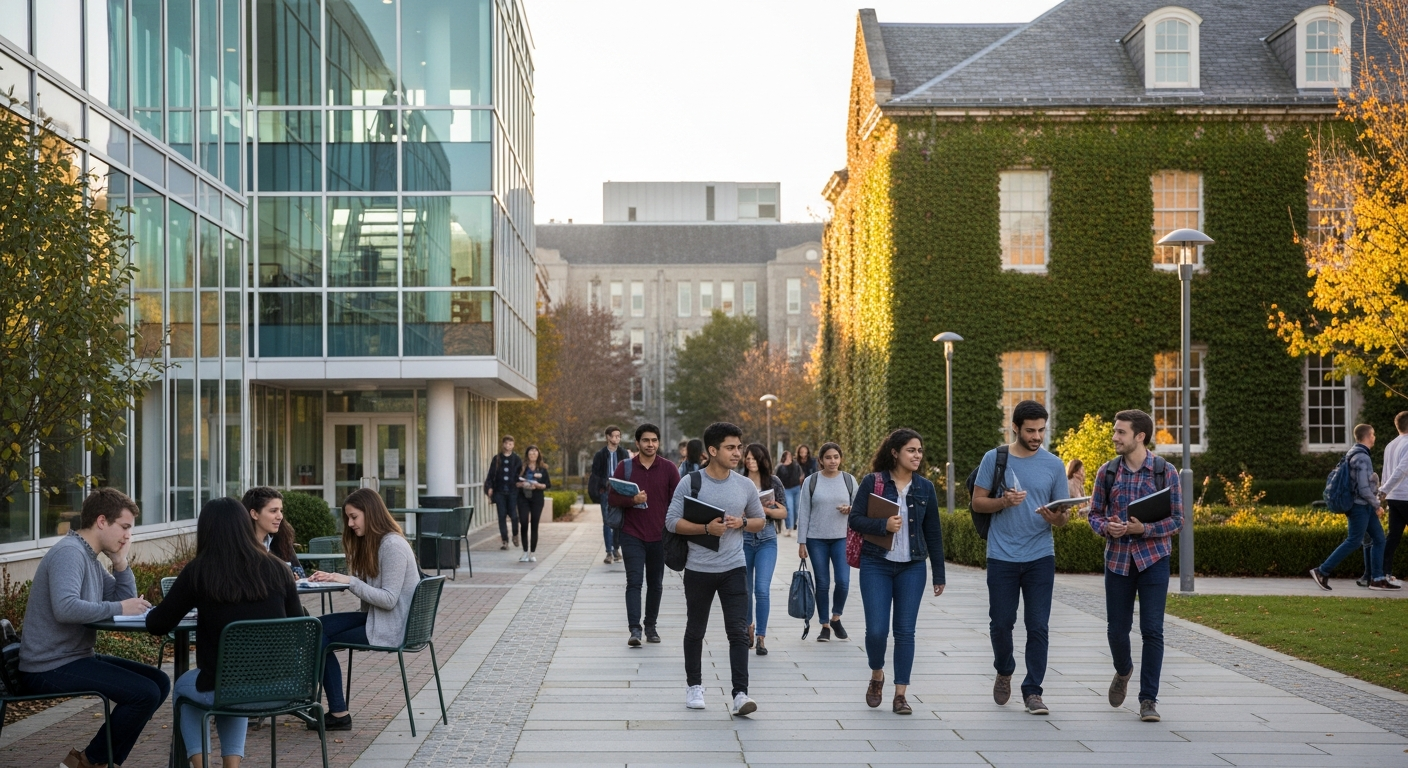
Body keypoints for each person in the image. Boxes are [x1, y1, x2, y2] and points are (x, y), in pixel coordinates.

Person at [148, 497, 303, 768]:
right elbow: (300, 629)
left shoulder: (200, 571)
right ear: (246, 524)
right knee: (233, 681)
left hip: (229, 685)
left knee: (187, 686)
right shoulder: (279, 569)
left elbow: (158, 624)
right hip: (283, 686)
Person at [19, 488, 168, 768]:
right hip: (48, 665)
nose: (128, 536)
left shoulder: (88, 556)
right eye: (124, 527)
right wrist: (120, 608)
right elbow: (66, 608)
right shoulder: (69, 553)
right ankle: (88, 762)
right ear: (102, 521)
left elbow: (122, 599)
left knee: (159, 682)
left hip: (74, 657)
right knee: (144, 693)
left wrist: (121, 563)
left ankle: (101, 762)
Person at [970, 400, 1070, 716]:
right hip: (1002, 555)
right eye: (1030, 430)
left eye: (1041, 429)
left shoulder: (1054, 465)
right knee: (1001, 623)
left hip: (1041, 555)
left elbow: (1063, 518)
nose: (1037, 435)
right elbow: (977, 503)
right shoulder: (994, 458)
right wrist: (1003, 502)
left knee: (1038, 624)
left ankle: (1033, 691)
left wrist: (1055, 518)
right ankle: (1004, 668)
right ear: (1015, 427)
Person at [1088, 409, 1185, 723]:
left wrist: (1146, 530)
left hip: (1154, 560)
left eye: (1121, 432)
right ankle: (1123, 669)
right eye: (1115, 431)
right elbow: (1094, 514)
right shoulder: (1107, 471)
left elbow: (1178, 520)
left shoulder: (1165, 471)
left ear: (1140, 436)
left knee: (1152, 631)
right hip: (1117, 560)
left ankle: (1148, 700)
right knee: (1116, 631)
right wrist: (1108, 528)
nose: (1115, 437)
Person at [665, 422, 766, 716]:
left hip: (735, 568)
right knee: (696, 630)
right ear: (712, 450)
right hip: (698, 569)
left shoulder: (745, 485)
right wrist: (706, 528)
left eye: (739, 447)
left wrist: (743, 523)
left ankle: (740, 694)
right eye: (731, 448)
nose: (738, 453)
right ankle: (694, 686)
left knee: (737, 631)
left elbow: (760, 520)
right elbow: (672, 521)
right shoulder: (691, 483)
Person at [306, 488, 422, 730]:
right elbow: (370, 590)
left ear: (370, 513)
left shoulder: (392, 545)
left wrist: (350, 581)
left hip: (392, 626)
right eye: (347, 518)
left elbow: (389, 599)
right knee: (315, 627)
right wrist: (339, 578)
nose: (349, 524)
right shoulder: (377, 542)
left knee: (319, 637)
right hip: (377, 618)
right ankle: (320, 704)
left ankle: (335, 712)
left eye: (354, 517)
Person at [849, 429, 945, 715]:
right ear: (895, 452)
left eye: (919, 450)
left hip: (913, 566)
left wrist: (939, 573)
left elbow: (934, 532)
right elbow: (855, 519)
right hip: (876, 563)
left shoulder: (925, 487)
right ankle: (877, 674)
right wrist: (883, 526)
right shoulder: (873, 482)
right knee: (877, 631)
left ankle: (901, 694)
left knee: (905, 632)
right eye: (911, 450)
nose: (917, 455)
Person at [607, 423, 681, 646]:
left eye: (654, 440)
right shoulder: (625, 467)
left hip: (660, 536)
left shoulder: (669, 468)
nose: (651, 444)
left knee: (655, 583)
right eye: (646, 440)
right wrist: (632, 500)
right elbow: (611, 498)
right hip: (632, 534)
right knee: (634, 582)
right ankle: (634, 630)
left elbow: (677, 501)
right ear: (637, 443)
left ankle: (651, 626)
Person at [1311, 424, 1398, 591]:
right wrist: (1377, 505)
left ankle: (1377, 579)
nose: (1374, 437)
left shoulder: (1353, 453)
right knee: (1354, 541)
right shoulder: (1362, 457)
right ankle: (1322, 570)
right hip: (1360, 507)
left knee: (1379, 539)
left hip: (1363, 506)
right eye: (1373, 434)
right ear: (1367, 436)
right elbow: (1363, 488)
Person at [796, 442, 857, 642]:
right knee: (822, 583)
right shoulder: (811, 481)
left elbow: (861, 507)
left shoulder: (849, 480)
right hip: (816, 539)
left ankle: (836, 617)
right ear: (821, 460)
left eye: (836, 457)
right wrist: (801, 542)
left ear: (840, 459)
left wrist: (851, 509)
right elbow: (803, 511)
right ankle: (824, 625)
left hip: (842, 537)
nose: (833, 461)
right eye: (828, 457)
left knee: (843, 581)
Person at [742, 443, 787, 655]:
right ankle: (748, 627)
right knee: (746, 589)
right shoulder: (739, 481)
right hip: (743, 538)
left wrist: (765, 510)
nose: (750, 461)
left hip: (767, 539)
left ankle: (761, 636)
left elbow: (784, 512)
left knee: (762, 589)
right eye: (747, 457)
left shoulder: (773, 481)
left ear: (762, 459)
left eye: (754, 458)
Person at [589, 426, 630, 564]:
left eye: (618, 436)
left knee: (617, 521)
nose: (616, 438)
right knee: (607, 521)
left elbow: (628, 472)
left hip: (619, 491)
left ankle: (616, 548)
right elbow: (595, 474)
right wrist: (603, 483)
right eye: (614, 436)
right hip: (605, 491)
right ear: (607, 437)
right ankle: (608, 552)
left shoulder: (623, 453)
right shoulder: (600, 455)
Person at [243, 486, 303, 577]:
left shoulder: (281, 541)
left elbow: (300, 572)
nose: (280, 516)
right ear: (254, 514)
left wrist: (295, 576)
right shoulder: (241, 544)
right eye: (273, 511)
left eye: (281, 511)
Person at [1380, 411, 1408, 585]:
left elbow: (1386, 471)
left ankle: (1384, 573)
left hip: (1393, 498)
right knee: (1393, 536)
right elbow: (1401, 470)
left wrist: (1384, 492)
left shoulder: (1390, 445)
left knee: (1393, 536)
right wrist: (1383, 490)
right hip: (1405, 496)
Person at [483, 435, 523, 550]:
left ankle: (515, 534)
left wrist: (521, 484)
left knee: (514, 516)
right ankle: (504, 541)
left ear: (513, 445)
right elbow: (491, 475)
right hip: (499, 492)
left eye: (510, 444)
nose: (507, 446)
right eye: (506, 443)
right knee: (501, 516)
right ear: (503, 444)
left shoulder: (516, 459)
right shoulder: (497, 459)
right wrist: (489, 487)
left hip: (512, 492)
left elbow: (521, 475)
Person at [517, 446, 551, 562]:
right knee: (524, 522)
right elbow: (515, 482)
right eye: (530, 452)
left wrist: (538, 485)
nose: (533, 454)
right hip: (523, 498)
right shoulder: (521, 467)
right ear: (527, 454)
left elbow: (547, 484)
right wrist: (522, 484)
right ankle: (525, 552)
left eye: (535, 452)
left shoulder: (542, 469)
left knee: (535, 524)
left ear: (538, 455)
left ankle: (532, 552)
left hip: (537, 498)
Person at [776, 450, 803, 536]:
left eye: (789, 456)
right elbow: (777, 479)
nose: (788, 458)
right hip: (786, 489)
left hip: (796, 488)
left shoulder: (795, 465)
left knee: (796, 509)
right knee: (789, 508)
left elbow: (801, 475)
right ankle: (789, 527)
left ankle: (795, 525)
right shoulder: (780, 467)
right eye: (786, 456)